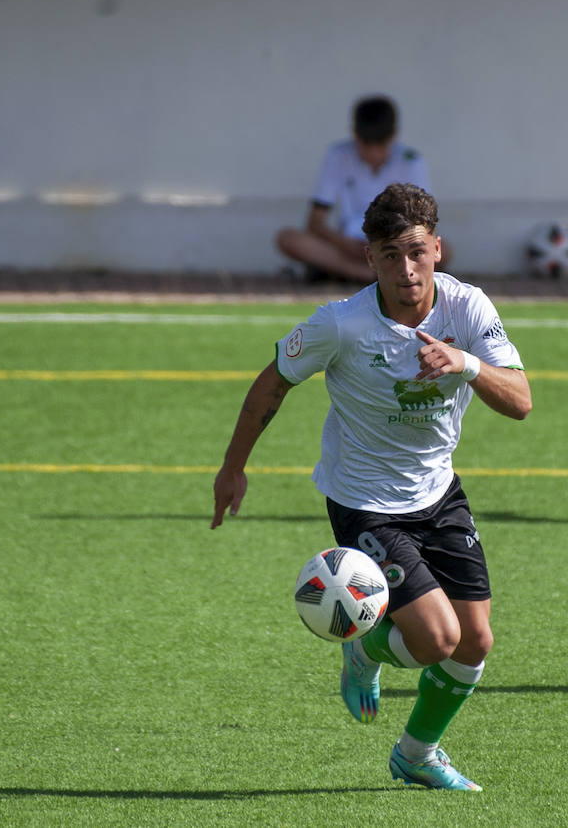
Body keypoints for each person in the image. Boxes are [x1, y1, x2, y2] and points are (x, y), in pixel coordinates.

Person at [214, 183, 531, 789]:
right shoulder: (342, 324)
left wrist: (465, 363)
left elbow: (520, 401)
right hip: (364, 503)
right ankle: (363, 649)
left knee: (477, 642)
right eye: (389, 254)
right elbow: (273, 382)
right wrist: (233, 467)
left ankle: (415, 753)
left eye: (416, 251)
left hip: (439, 493)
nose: (405, 268)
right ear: (370, 258)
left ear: (438, 248)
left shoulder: (469, 310)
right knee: (439, 638)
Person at [276, 95, 438, 283]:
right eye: (366, 145)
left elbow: (424, 224)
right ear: (355, 135)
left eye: (381, 145)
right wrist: (343, 243)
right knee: (287, 238)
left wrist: (392, 244)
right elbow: (315, 221)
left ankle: (353, 273)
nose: (373, 153)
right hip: (347, 244)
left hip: (393, 244)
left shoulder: (411, 161)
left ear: (393, 136)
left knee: (442, 249)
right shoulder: (338, 155)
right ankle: (370, 275)